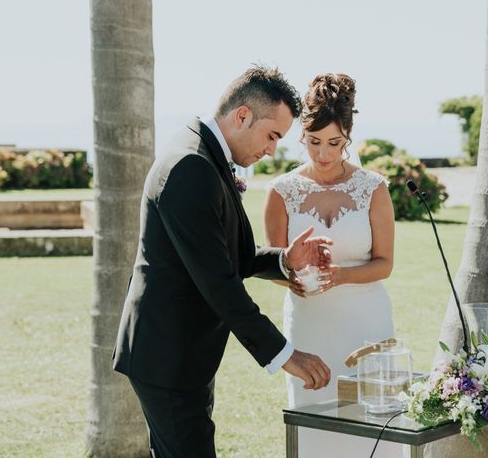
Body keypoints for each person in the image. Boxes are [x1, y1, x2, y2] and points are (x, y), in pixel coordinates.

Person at [112, 66, 332, 458]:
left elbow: (227, 255)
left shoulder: (204, 153)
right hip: (168, 356)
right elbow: (218, 282)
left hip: (181, 353)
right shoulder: (191, 166)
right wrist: (285, 354)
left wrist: (284, 259)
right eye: (272, 135)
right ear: (242, 115)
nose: (271, 150)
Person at [264, 73, 403, 457]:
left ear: (348, 139)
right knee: (314, 422)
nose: (323, 154)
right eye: (313, 142)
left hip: (366, 324)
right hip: (310, 326)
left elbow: (385, 264)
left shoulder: (372, 188)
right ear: (301, 136)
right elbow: (272, 264)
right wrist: (297, 276)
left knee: (372, 425)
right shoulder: (281, 192)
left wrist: (339, 276)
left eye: (334, 143)